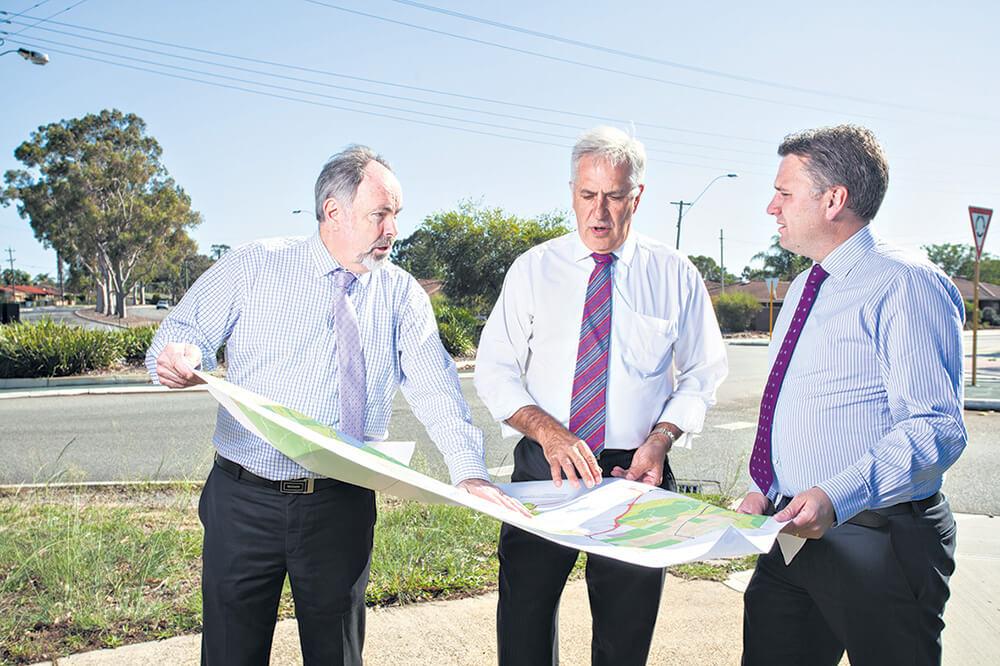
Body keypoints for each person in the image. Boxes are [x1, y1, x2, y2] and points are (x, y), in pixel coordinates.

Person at [146, 145, 526, 666]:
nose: (393, 229)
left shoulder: (401, 294)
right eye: (380, 215)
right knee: (231, 652)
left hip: (340, 504)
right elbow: (182, 331)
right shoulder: (254, 265)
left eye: (397, 214)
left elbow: (437, 389)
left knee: (337, 655)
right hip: (243, 502)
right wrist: (179, 356)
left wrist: (470, 472)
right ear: (334, 211)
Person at [474, 126, 728, 665]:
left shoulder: (675, 275)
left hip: (637, 472)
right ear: (572, 192)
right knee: (524, 620)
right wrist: (548, 433)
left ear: (637, 196)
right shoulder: (533, 270)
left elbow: (703, 372)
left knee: (624, 635)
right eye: (588, 195)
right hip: (545, 464)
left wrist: (662, 438)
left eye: (614, 196)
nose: (599, 212)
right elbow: (495, 371)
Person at [738, 124, 966, 666]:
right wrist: (764, 487)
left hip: (880, 542)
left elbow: (936, 427)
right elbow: (800, 404)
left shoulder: (906, 283)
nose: (771, 207)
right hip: (792, 532)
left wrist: (837, 496)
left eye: (784, 193)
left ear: (833, 199)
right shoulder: (803, 286)